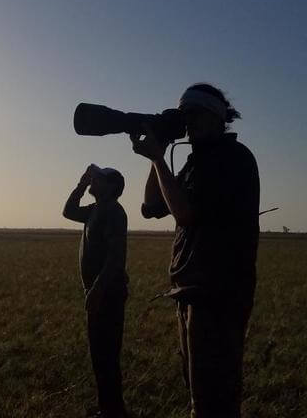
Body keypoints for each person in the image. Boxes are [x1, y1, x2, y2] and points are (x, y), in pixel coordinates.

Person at [131, 83, 259, 418]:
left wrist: (159, 157)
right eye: (185, 117)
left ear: (218, 118)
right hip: (191, 289)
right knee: (198, 395)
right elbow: (152, 204)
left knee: (214, 399)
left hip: (218, 293)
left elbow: (185, 214)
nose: (189, 123)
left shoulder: (232, 158)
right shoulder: (195, 162)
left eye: (196, 115)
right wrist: (157, 155)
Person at [62, 164, 130, 418]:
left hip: (107, 295)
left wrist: (98, 290)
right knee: (100, 355)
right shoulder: (95, 210)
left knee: (106, 355)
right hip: (100, 294)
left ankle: (113, 411)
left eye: (98, 178)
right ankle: (109, 408)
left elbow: (115, 257)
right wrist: (81, 185)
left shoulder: (113, 212)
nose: (94, 180)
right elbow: (68, 211)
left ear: (111, 187)